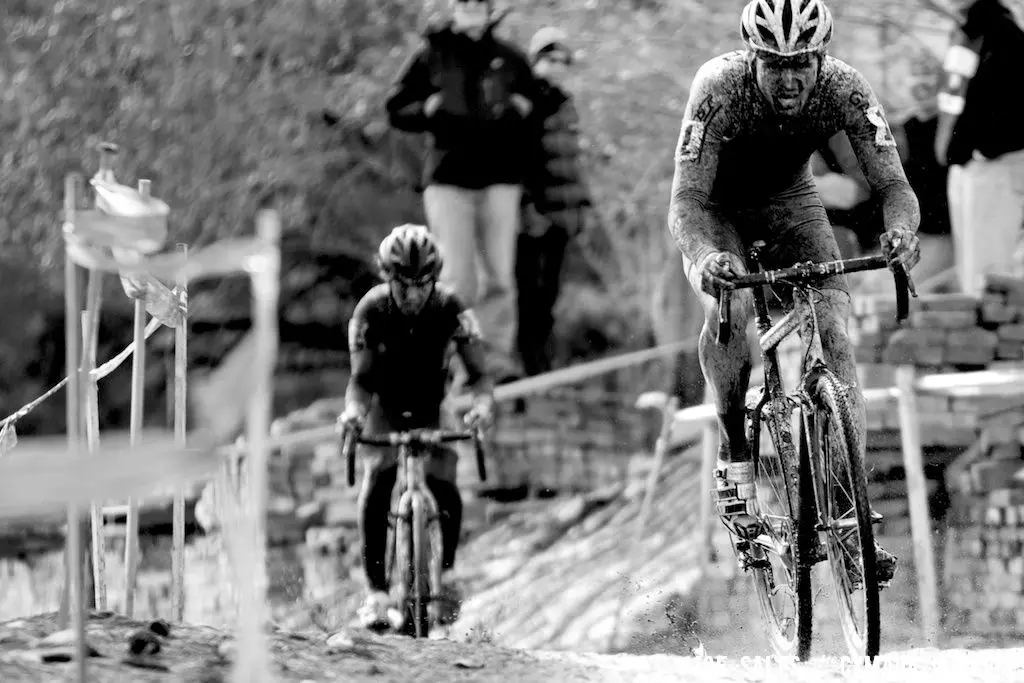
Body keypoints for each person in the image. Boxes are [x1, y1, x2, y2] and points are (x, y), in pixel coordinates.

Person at [667, 0, 922, 588]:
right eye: (774, 65)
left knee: (834, 332)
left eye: (801, 65)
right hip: (717, 211)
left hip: (790, 203)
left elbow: (893, 185)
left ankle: (848, 519)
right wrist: (707, 258)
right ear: (751, 59)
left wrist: (902, 233)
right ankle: (735, 457)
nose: (789, 79)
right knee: (728, 307)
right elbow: (686, 202)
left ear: (821, 59)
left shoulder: (845, 89)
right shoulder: (718, 87)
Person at [338, 224, 495, 631]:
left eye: (422, 284)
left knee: (446, 488)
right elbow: (360, 381)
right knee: (378, 481)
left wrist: (481, 407)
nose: (412, 294)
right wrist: (353, 414)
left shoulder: (452, 309)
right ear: (386, 278)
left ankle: (448, 573)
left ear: (435, 280)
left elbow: (480, 375)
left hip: (431, 408)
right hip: (384, 409)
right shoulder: (369, 311)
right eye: (402, 284)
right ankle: (376, 593)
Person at [383, 0, 541, 383]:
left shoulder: (509, 57)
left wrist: (522, 110)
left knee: (499, 277)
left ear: (490, 11)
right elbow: (395, 108)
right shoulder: (432, 56)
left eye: (479, 4)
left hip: (500, 180)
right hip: (449, 181)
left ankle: (498, 362)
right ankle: (457, 363)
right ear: (453, 9)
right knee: (458, 277)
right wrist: (429, 109)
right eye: (464, 3)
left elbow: (539, 107)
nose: (472, 9)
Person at [516, 27, 595, 378]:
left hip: (561, 219)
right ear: (536, 60)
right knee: (527, 298)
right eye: (551, 59)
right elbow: (519, 159)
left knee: (547, 300)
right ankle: (527, 368)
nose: (558, 66)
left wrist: (582, 208)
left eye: (564, 61)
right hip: (533, 216)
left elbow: (572, 163)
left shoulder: (564, 103)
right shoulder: (525, 101)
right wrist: (528, 207)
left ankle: (541, 370)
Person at [935, 0, 1024, 295]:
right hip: (968, 166)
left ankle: (999, 340)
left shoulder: (1003, 32)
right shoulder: (968, 30)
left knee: (989, 276)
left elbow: (1009, 107)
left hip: (993, 168)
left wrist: (983, 149)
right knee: (972, 275)